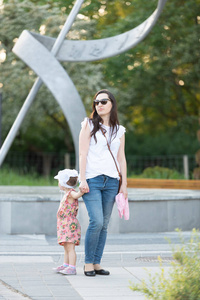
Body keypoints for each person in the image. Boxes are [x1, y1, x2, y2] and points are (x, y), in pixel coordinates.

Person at [79, 89, 128, 276]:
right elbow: (83, 153)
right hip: (92, 179)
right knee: (96, 221)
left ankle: (97, 262)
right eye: (96, 102)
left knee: (105, 224)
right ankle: (88, 262)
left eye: (103, 101)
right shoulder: (88, 125)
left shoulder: (119, 130)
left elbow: (121, 158)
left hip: (112, 181)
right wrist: (82, 179)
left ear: (112, 104)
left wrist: (124, 184)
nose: (99, 104)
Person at [53, 169, 83, 275]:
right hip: (64, 224)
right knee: (66, 247)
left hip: (70, 225)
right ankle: (66, 265)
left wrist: (82, 191)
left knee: (70, 247)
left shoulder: (71, 193)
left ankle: (72, 267)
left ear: (63, 183)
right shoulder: (66, 194)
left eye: (59, 181)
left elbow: (77, 195)